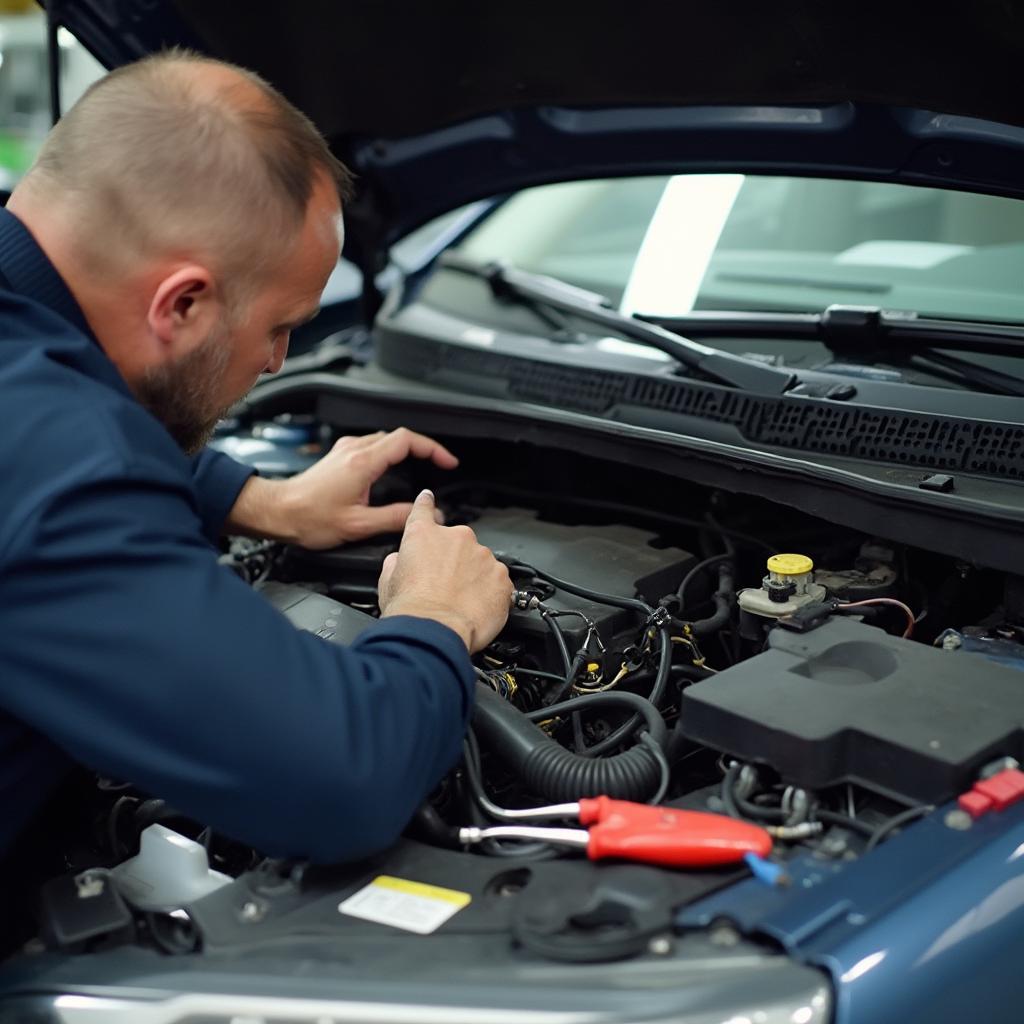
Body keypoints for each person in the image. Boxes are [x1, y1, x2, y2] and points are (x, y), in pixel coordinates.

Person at [0, 50, 512, 867]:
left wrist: (260, 501)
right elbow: (341, 783)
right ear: (184, 303)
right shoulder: (57, 456)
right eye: (281, 325)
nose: (279, 362)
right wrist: (434, 616)